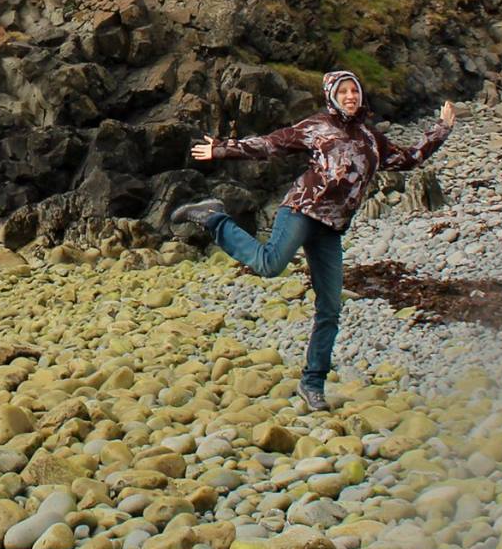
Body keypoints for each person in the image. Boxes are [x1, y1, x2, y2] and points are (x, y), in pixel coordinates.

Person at [172, 70, 455, 411]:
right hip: (302, 211)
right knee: (269, 264)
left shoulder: (371, 138)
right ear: (332, 96)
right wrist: (221, 149)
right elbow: (270, 144)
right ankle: (213, 217)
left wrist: (441, 130)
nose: (351, 96)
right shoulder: (317, 126)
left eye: (355, 90)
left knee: (330, 309)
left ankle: (313, 383)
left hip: (331, 229)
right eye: (344, 91)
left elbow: (410, 158)